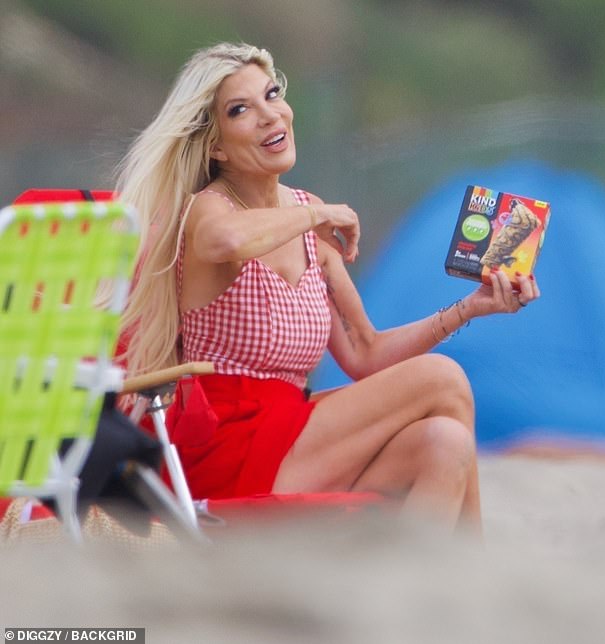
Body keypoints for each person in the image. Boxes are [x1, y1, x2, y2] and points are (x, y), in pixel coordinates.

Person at [116, 42, 540, 533]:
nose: (269, 116)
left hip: (290, 431)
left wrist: (469, 308)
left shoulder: (303, 212)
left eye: (271, 95)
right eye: (240, 110)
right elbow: (225, 240)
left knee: (443, 443)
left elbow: (363, 350)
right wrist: (316, 215)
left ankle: (424, 595)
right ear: (215, 146)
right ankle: (476, 574)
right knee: (442, 379)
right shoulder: (211, 208)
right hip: (222, 446)